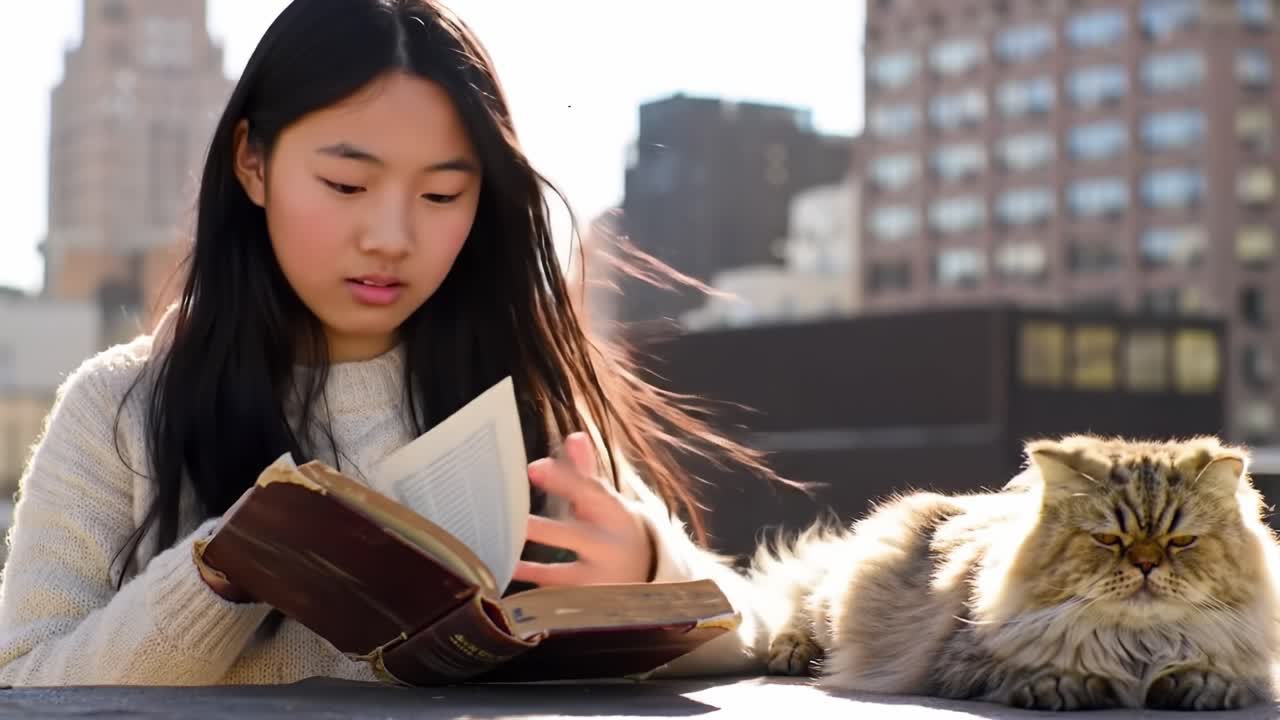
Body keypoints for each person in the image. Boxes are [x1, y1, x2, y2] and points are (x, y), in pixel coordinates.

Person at [0, 0, 782, 686]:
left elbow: (753, 635)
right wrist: (221, 571)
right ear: (253, 161)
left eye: (442, 193)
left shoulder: (521, 396)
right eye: (347, 185)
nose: (391, 237)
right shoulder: (118, 408)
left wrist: (645, 567)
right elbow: (26, 681)